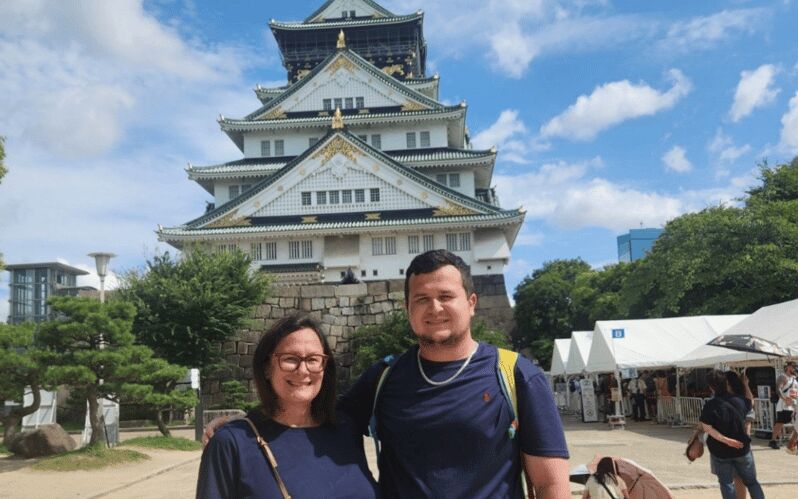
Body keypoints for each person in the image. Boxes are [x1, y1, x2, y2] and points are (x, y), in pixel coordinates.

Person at [205, 250, 570, 498]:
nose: (435, 308)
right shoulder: (386, 377)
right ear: (408, 308)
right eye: (421, 299)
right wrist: (245, 423)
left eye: (446, 296)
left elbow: (551, 486)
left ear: (471, 304)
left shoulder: (515, 376)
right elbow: (307, 412)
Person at [196, 314, 378, 499]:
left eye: (313, 359)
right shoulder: (231, 444)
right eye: (290, 358)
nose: (302, 370)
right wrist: (239, 425)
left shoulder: (346, 428)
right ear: (267, 367)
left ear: (325, 367)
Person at [699, 369, 764, 499]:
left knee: (726, 483)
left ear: (711, 386)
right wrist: (746, 385)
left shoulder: (710, 405)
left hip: (720, 451)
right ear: (726, 383)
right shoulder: (740, 400)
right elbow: (750, 404)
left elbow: (707, 428)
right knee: (752, 482)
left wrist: (726, 440)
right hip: (742, 449)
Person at [769, 361, 797, 449]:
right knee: (780, 423)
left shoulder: (794, 378)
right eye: (793, 366)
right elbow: (778, 389)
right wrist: (785, 399)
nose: (795, 368)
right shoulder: (782, 377)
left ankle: (792, 441)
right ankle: (773, 440)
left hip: (794, 404)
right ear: (788, 367)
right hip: (784, 405)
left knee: (795, 422)